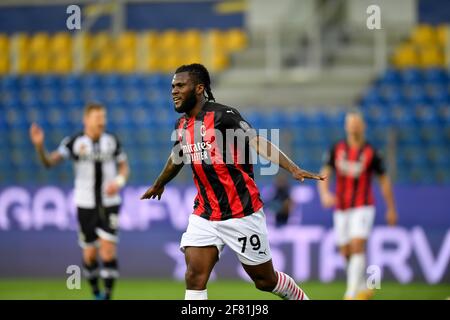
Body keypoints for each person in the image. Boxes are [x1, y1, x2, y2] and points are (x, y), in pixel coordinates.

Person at [140, 63, 325, 300]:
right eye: (172, 86)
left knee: (265, 281)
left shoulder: (223, 115)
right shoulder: (182, 125)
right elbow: (178, 157)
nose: (173, 91)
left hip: (241, 212)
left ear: (199, 88)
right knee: (194, 277)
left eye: (180, 85)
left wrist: (292, 168)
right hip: (205, 213)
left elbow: (257, 141)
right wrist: (159, 183)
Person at [29, 103, 129, 300]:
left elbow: (124, 166)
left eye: (103, 117)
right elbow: (49, 162)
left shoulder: (112, 141)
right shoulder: (74, 142)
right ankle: (96, 292)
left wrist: (118, 181)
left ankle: (107, 296)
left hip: (110, 202)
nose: (102, 121)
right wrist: (40, 147)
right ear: (86, 120)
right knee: (90, 255)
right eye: (97, 117)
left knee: (108, 251)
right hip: (85, 204)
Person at [318, 111, 398, 300]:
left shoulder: (372, 152)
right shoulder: (336, 149)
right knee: (345, 251)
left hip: (363, 205)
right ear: (346, 126)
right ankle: (363, 286)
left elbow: (384, 181)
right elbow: (325, 172)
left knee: (357, 245)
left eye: (357, 123)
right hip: (341, 206)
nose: (353, 126)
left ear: (363, 126)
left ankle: (351, 293)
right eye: (350, 123)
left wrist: (391, 208)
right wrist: (324, 193)